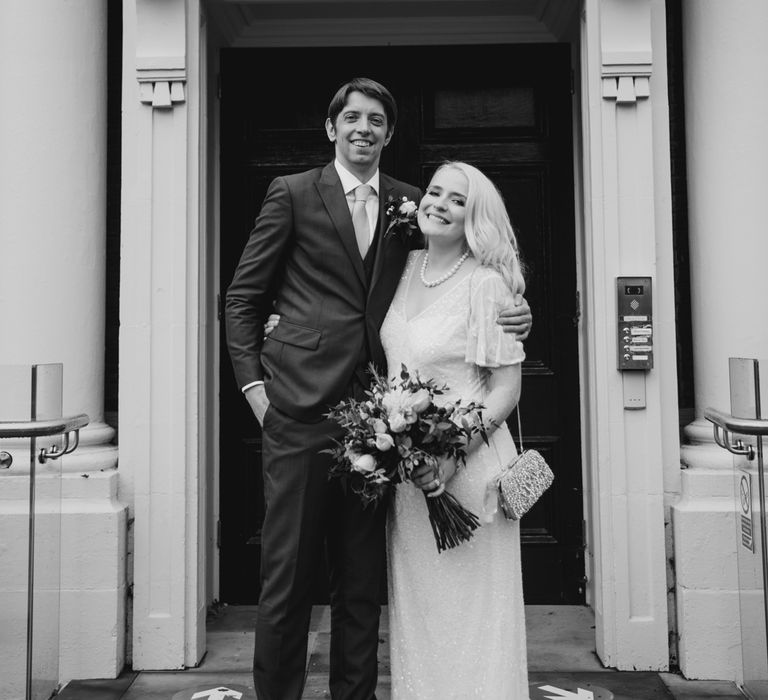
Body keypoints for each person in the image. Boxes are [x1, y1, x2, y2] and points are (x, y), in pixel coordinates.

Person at [225, 78, 532, 700]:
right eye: (353, 118)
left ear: (389, 134)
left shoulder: (412, 204)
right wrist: (258, 390)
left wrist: (521, 314)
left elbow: (460, 281)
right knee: (287, 575)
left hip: (384, 425)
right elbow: (243, 299)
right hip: (300, 413)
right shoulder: (290, 194)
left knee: (362, 583)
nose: (364, 128)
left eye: (377, 121)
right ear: (332, 127)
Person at [380, 161, 530, 699]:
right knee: (421, 608)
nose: (439, 203)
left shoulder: (487, 285)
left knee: (473, 613)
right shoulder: (401, 266)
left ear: (476, 217)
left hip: (469, 468)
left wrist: (454, 452)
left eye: (457, 199)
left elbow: (505, 391)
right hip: (410, 475)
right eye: (435, 192)